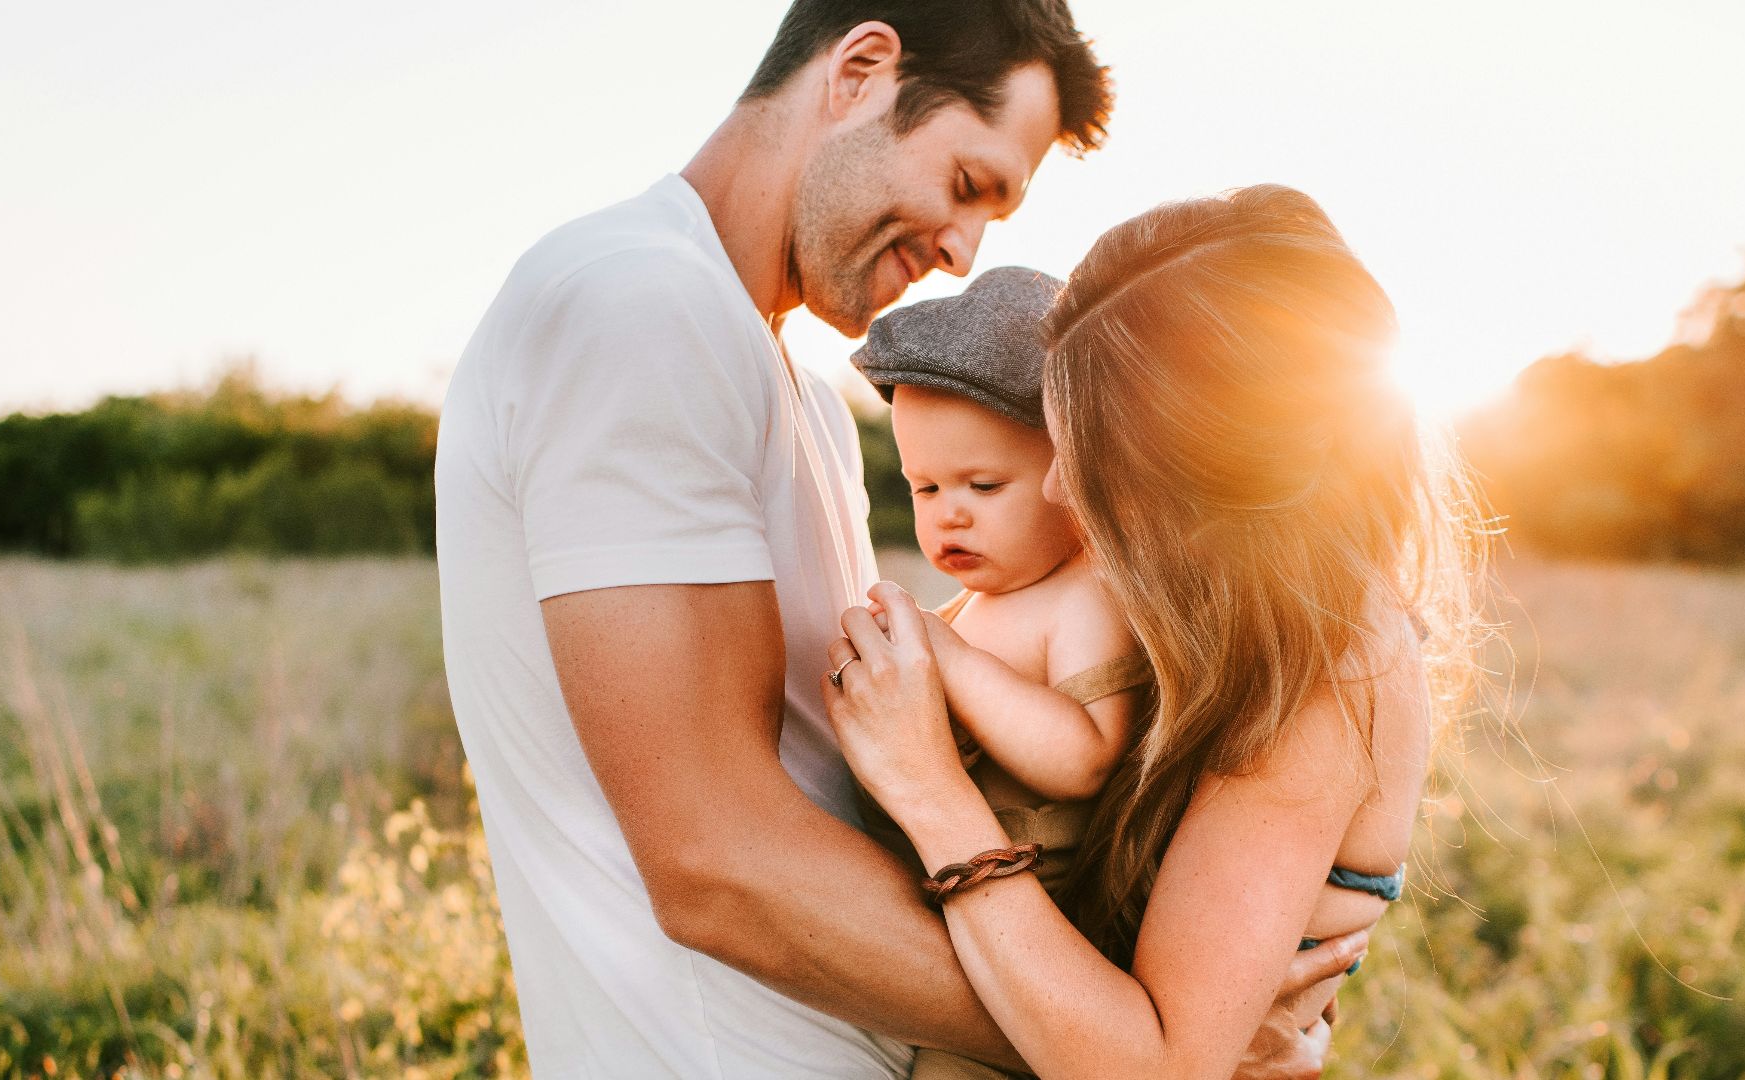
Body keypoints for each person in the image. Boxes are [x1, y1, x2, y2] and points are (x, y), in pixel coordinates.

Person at [435, 0, 1357, 1072]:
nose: (965, 252)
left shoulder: (802, 393)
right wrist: (1141, 1046)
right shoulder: (638, 308)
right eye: (968, 185)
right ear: (863, 69)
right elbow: (713, 862)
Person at [825, 185, 1487, 1079]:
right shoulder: (1207, 615)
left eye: (1094, 462)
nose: (1060, 493)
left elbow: (1153, 1069)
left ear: (1211, 479)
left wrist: (930, 791)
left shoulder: (1331, 666)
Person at [848, 266, 1152, 1079]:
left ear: (1074, 479)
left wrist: (948, 660)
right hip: (949, 923)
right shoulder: (974, 606)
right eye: (925, 486)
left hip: (1038, 931)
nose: (950, 511)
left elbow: (1086, 754)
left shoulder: (1083, 595)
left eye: (984, 485)